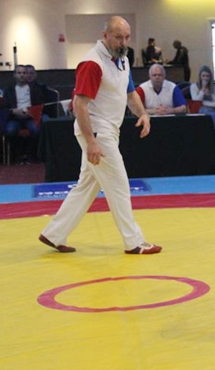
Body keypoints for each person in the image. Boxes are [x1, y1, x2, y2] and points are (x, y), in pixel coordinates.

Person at [38, 16, 162, 255]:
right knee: (119, 185)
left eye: (126, 37)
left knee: (86, 186)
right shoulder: (92, 63)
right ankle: (133, 241)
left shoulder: (122, 59)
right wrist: (91, 141)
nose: (123, 41)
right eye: (118, 37)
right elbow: (80, 105)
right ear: (105, 35)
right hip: (97, 131)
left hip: (107, 130)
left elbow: (130, 93)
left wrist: (144, 114)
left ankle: (54, 234)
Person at [0, 64, 49, 163]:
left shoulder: (36, 89)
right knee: (10, 130)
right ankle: (19, 155)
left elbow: (42, 103)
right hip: (14, 117)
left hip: (31, 116)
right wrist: (13, 111)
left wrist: (32, 111)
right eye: (19, 73)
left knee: (36, 130)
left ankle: (31, 154)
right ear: (14, 75)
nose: (22, 75)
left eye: (24, 73)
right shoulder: (8, 90)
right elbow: (4, 106)